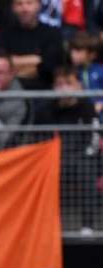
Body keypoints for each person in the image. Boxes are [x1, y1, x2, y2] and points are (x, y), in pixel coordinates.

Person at [36, 66, 101, 234]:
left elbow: (94, 139)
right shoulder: (45, 110)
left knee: (87, 172)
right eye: (59, 83)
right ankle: (45, 226)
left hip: (81, 158)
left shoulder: (86, 108)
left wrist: (83, 156)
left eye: (68, 83)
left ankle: (88, 226)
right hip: (53, 159)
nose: (64, 87)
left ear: (78, 85)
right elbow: (39, 140)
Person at [0, 0, 64, 90]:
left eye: (29, 3)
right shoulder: (4, 34)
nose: (24, 9)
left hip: (44, 92)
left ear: (39, 6)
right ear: (13, 8)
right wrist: (36, 59)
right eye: (19, 4)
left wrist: (13, 66)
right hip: (9, 92)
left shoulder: (52, 34)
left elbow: (50, 67)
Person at [68, 31, 103, 115]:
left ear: (92, 54)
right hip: (81, 115)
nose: (73, 55)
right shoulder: (72, 73)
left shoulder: (100, 71)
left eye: (78, 51)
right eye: (72, 51)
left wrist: (100, 104)